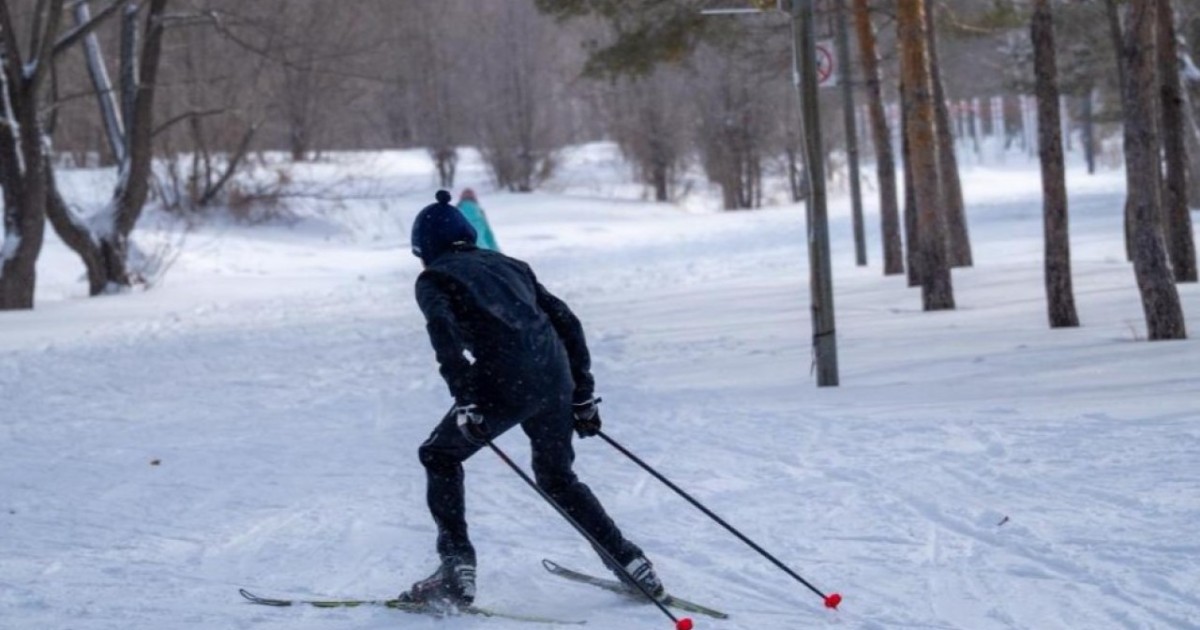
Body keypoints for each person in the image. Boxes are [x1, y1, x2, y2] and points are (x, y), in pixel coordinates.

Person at [399, 190, 664, 608]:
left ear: (425, 250)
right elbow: (566, 322)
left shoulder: (434, 278)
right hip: (554, 378)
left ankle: (456, 568)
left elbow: (443, 333)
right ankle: (630, 562)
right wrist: (582, 394)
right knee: (558, 478)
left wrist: (467, 398)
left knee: (440, 456)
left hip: (502, 382)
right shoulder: (511, 265)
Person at [456, 188, 501, 252]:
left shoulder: (455, 213)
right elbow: (488, 236)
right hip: (483, 250)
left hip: (462, 251)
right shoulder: (480, 213)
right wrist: (497, 252)